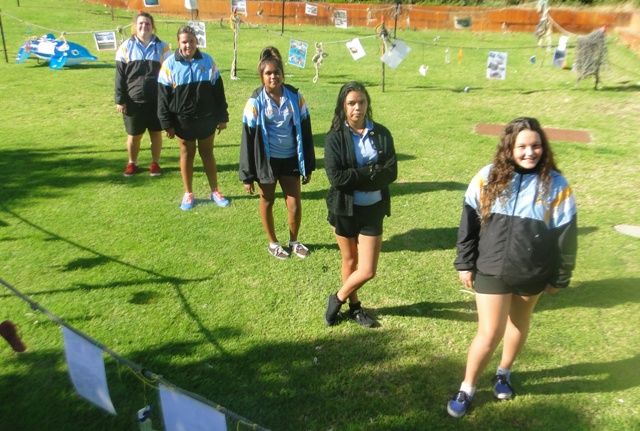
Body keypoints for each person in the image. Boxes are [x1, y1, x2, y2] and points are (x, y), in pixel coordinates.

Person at [447, 117, 577, 418]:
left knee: (519, 323)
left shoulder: (557, 185)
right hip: (491, 269)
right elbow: (468, 224)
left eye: (536, 146)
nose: (530, 152)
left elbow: (566, 237)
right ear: (509, 148)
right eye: (522, 146)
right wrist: (465, 263)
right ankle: (467, 388)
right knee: (490, 332)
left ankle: (504, 373)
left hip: (532, 272)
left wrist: (560, 275)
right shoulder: (487, 177)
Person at [323, 82, 397, 328]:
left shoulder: (382, 133)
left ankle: (337, 298)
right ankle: (355, 308)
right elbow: (336, 178)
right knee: (350, 261)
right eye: (351, 103)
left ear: (368, 104)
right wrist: (369, 173)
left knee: (368, 270)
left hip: (373, 208)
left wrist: (358, 177)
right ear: (343, 106)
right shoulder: (334, 137)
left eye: (362, 102)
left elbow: (391, 172)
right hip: (344, 208)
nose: (357, 108)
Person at [239, 47, 315, 259]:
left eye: (277, 72)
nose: (273, 76)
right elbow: (247, 138)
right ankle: (273, 243)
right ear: (262, 77)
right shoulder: (254, 102)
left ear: (282, 73)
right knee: (268, 200)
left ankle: (294, 241)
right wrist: (247, 175)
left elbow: (306, 131)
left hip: (290, 158)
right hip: (267, 162)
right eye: (268, 73)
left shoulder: (295, 97)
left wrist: (307, 165)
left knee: (294, 202)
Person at [158, 26, 230, 210]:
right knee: (187, 154)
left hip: (207, 119)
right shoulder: (169, 65)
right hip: (183, 121)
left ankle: (215, 191)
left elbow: (218, 93)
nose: (188, 45)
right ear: (178, 43)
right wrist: (167, 124)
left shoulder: (208, 61)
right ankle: (188, 193)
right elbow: (162, 99)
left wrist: (222, 117)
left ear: (197, 41)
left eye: (191, 41)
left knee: (207, 154)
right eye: (184, 42)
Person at [115, 12, 171, 177]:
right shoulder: (125, 47)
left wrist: (168, 99)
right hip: (133, 101)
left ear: (152, 26)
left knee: (156, 133)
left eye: (147, 24)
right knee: (134, 135)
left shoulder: (163, 47)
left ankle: (155, 163)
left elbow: (169, 74)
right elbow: (119, 76)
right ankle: (132, 162)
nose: (144, 27)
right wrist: (120, 99)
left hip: (156, 100)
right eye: (140, 24)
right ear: (135, 25)